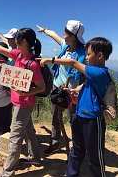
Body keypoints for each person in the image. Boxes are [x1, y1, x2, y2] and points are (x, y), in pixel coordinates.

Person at [38, 37, 113, 177]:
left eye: (89, 54)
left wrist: (50, 60)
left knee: (95, 155)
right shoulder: (93, 72)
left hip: (93, 119)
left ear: (100, 55)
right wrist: (75, 90)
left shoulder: (100, 72)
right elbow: (86, 85)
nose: (86, 57)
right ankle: (71, 174)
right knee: (76, 149)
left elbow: (72, 62)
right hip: (79, 114)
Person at [0, 28, 45, 176]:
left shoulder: (32, 64)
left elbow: (41, 87)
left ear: (24, 42)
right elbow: (0, 49)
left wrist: (26, 92)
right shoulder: (18, 55)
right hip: (17, 102)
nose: (14, 44)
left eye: (17, 41)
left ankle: (7, 172)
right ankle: (36, 157)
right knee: (28, 130)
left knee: (15, 137)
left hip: (24, 104)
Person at [37, 20, 86, 153]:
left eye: (66, 32)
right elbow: (54, 35)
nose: (63, 34)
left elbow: (78, 68)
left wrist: (50, 59)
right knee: (55, 116)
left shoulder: (84, 54)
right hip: (57, 87)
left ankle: (77, 147)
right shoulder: (65, 45)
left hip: (72, 92)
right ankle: (55, 141)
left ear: (73, 35)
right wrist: (45, 30)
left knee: (74, 119)